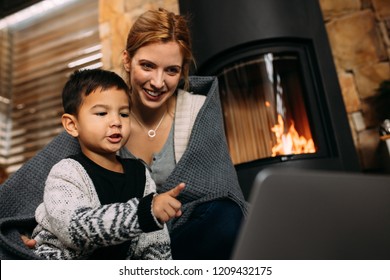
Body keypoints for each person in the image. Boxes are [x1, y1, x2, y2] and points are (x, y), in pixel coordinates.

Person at [0, 8, 248, 260]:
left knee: (226, 217)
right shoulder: (99, 117)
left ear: (183, 71)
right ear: (127, 60)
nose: (158, 82)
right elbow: (42, 198)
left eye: (171, 70)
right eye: (147, 66)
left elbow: (221, 192)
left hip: (177, 237)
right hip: (112, 242)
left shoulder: (198, 111)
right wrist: (23, 231)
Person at [31, 68, 184, 260]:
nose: (116, 122)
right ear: (72, 125)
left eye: (124, 114)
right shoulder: (66, 172)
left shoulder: (140, 174)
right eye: (102, 113)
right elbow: (75, 230)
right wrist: (146, 212)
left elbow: (154, 240)